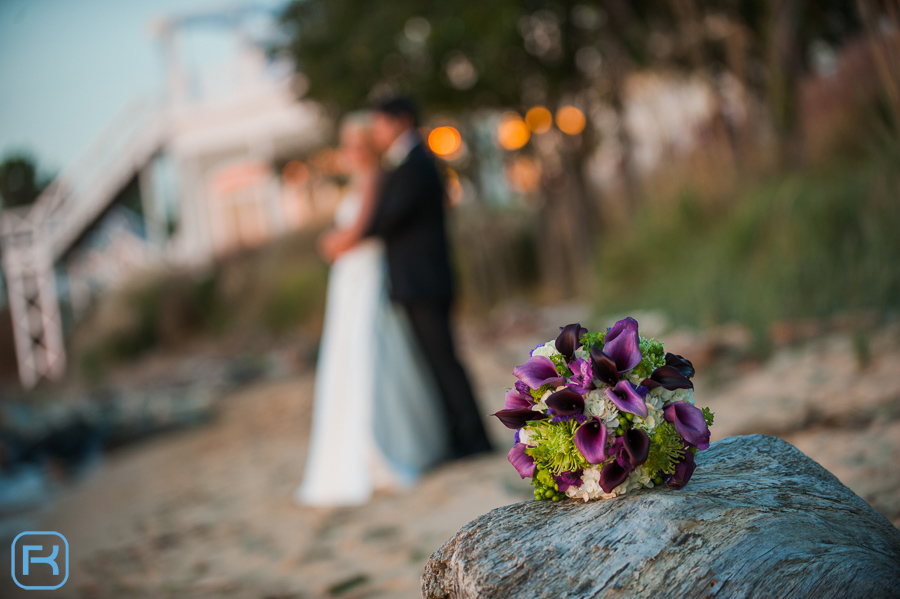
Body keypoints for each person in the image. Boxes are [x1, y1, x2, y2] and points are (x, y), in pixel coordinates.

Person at [322, 97, 492, 459]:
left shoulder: (417, 163)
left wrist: (349, 236)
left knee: (444, 360)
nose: (377, 132)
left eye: (380, 124)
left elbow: (388, 218)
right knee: (433, 362)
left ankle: (474, 438)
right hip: (415, 281)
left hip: (424, 281)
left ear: (400, 121)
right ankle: (457, 435)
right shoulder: (406, 163)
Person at [296, 114, 449, 507]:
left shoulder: (376, 176)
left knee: (369, 357)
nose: (350, 152)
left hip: (365, 278)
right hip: (350, 283)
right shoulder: (363, 179)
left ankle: (380, 449)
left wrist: (330, 243)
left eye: (354, 143)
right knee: (349, 361)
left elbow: (359, 230)